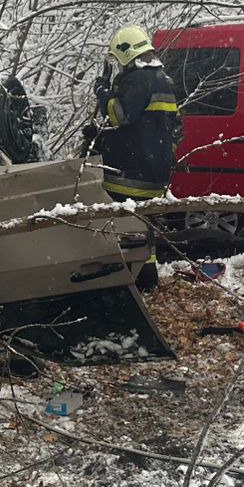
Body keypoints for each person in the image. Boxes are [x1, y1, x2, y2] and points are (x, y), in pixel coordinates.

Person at [91, 24, 181, 290]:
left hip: (129, 174)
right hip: (155, 173)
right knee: (145, 230)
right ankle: (147, 280)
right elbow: (174, 128)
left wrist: (103, 92)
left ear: (125, 54)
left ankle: (124, 284)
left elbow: (118, 115)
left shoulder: (138, 80)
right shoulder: (165, 80)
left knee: (123, 230)